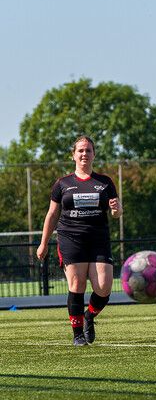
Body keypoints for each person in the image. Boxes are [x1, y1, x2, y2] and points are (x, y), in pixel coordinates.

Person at [36, 136, 121, 346]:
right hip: (70, 238)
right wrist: (43, 243)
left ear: (94, 154)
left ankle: (89, 317)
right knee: (77, 283)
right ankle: (77, 335)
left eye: (88, 150)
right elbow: (52, 215)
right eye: (81, 150)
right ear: (73, 155)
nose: (84, 154)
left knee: (103, 287)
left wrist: (117, 210)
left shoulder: (105, 182)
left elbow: (116, 212)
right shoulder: (62, 184)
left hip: (98, 239)